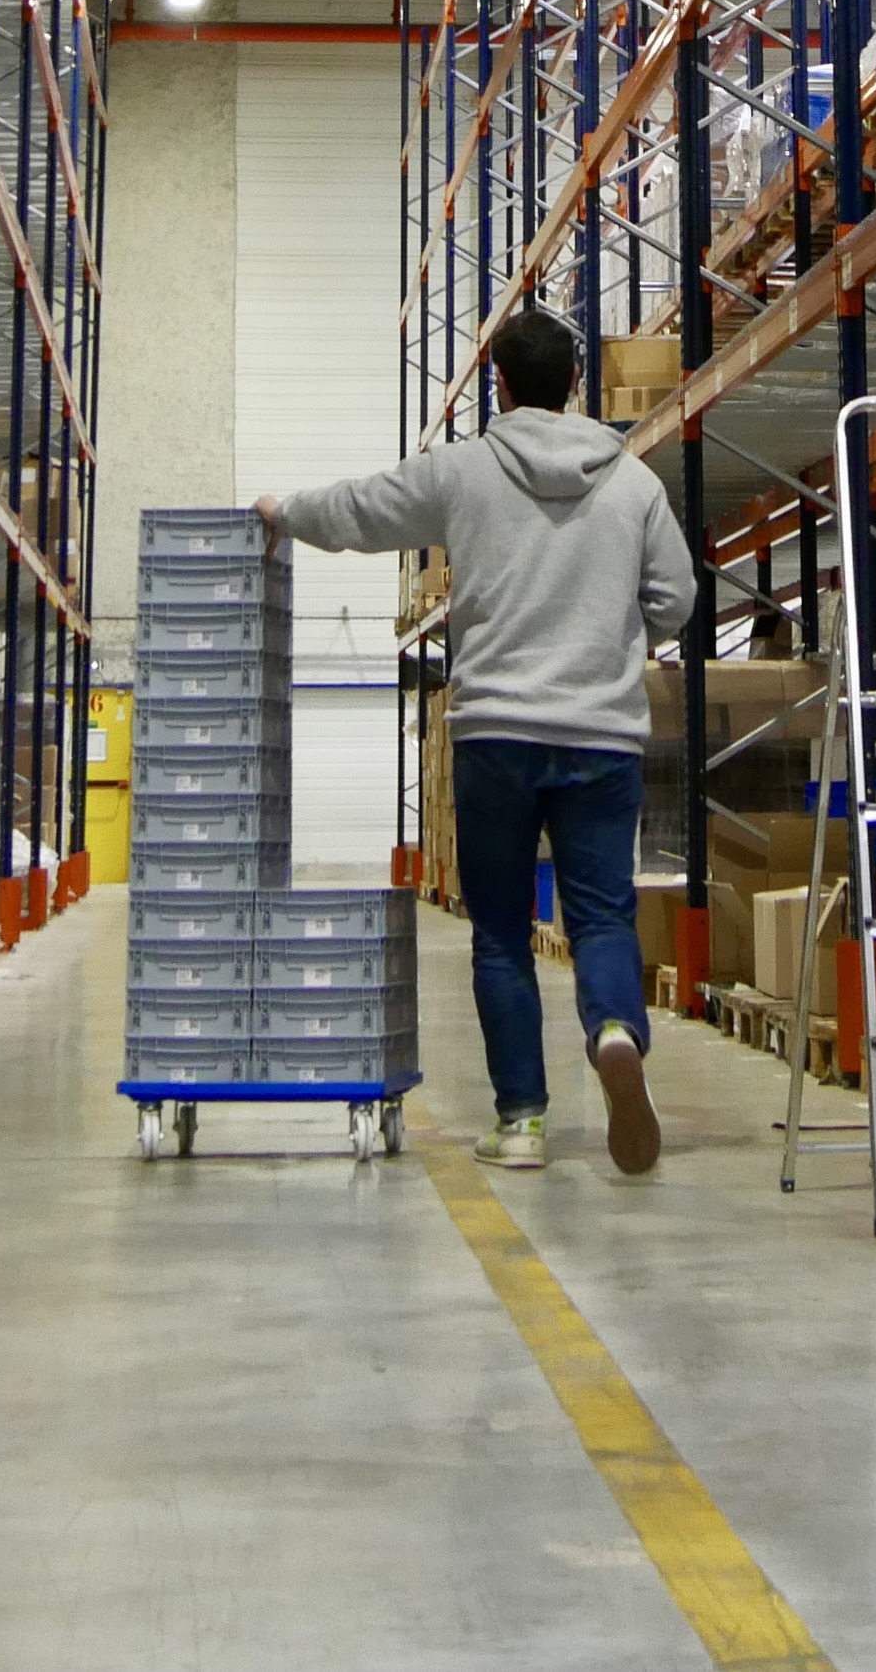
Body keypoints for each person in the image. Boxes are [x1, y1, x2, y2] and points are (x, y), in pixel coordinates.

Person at [261, 311, 690, 1174]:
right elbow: (675, 599)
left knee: (501, 931)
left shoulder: (464, 471)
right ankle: (614, 1030)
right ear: (578, 382)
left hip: (495, 733)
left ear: (499, 384)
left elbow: (360, 508)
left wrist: (284, 511)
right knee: (601, 912)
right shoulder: (634, 483)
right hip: (602, 737)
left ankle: (523, 1121)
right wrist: (612, 627)